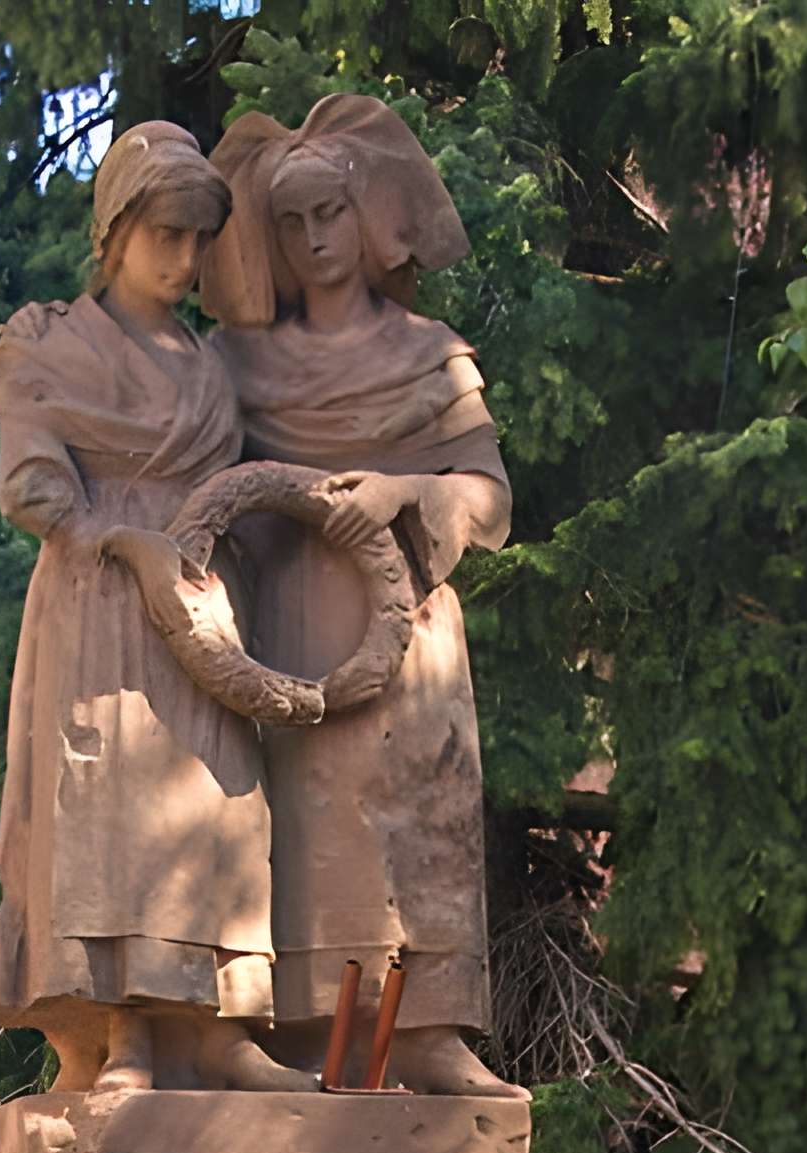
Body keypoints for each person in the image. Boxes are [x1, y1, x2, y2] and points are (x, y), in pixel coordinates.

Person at [203, 95, 524, 1097]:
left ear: (364, 215)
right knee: (307, 838)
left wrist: (404, 492)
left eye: (327, 217)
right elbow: (202, 491)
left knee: (418, 827)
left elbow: (489, 496)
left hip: (413, 630)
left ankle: (425, 1037)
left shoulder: (431, 353)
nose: (311, 242)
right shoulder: (237, 363)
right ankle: (306, 1053)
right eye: (290, 225)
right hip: (287, 625)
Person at [0, 121, 304, 1094]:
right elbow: (31, 485)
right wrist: (125, 542)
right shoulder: (51, 344)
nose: (180, 256)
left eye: (196, 237)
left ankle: (219, 1029)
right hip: (101, 601)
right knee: (112, 806)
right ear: (115, 229)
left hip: (205, 609)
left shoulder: (212, 367)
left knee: (218, 800)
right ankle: (126, 1031)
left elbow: (244, 488)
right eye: (162, 231)